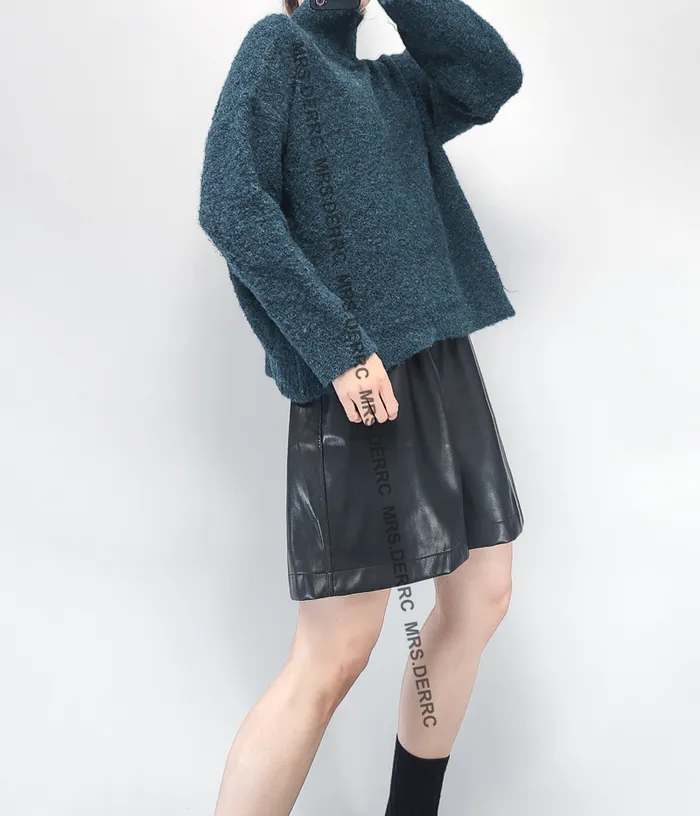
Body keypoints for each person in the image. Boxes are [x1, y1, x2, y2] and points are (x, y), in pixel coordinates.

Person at [198, 0, 525, 813]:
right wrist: (337, 348)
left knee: (481, 597)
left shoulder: (395, 87)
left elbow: (490, 75)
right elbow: (230, 201)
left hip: (442, 355)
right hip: (359, 379)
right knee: (336, 653)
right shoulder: (280, 50)